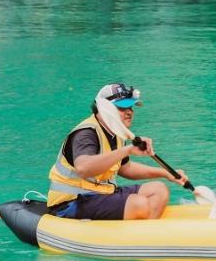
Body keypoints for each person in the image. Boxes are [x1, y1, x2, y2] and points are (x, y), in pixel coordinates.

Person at [46, 83, 189, 220]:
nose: (129, 112)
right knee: (140, 204)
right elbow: (84, 168)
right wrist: (127, 150)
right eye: (122, 108)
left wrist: (166, 173)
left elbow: (125, 168)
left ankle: (144, 238)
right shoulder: (86, 134)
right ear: (105, 108)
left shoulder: (117, 133)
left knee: (159, 190)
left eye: (131, 107)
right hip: (71, 202)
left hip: (101, 194)